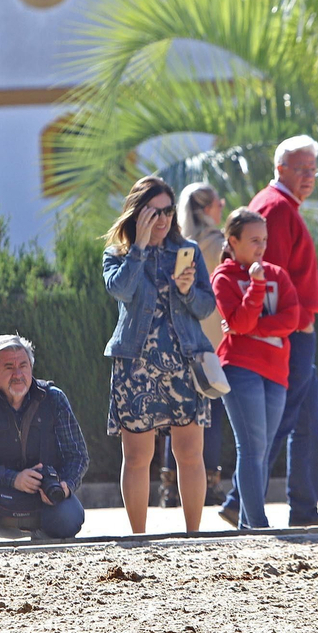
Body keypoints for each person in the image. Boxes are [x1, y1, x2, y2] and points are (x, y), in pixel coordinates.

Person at [219, 136, 318, 528]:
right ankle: (242, 503)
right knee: (272, 429)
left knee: (306, 424)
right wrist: (290, 322)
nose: (309, 176)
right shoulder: (275, 208)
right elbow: (269, 281)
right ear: (280, 168)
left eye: (313, 169)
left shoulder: (282, 207)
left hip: (292, 331)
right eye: (301, 169)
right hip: (285, 337)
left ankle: (301, 508)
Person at [102, 176, 218, 534]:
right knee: (138, 457)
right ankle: (139, 538)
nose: (163, 219)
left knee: (190, 454)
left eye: (168, 211)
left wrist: (187, 290)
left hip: (184, 363)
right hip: (135, 365)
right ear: (138, 214)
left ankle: (193, 534)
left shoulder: (187, 251)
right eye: (154, 213)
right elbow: (120, 290)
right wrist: (138, 247)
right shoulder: (118, 254)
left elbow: (206, 306)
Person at [0, 335, 87, 543]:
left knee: (68, 517)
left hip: (43, 500)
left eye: (23, 366)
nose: (18, 374)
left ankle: (43, 541)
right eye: (9, 367)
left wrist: (66, 485)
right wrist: (14, 479)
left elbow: (77, 455)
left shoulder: (54, 398)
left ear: (31, 367)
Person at [212, 208, 299, 529]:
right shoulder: (224, 277)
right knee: (251, 448)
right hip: (240, 368)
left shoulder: (278, 273)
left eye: (264, 240)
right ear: (232, 241)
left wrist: (250, 328)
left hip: (276, 371)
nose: (261, 246)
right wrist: (257, 285)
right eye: (253, 240)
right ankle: (258, 525)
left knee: (262, 450)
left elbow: (291, 319)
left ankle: (248, 526)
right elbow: (239, 320)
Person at [176, 182, 229, 506]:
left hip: (184, 340)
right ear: (208, 208)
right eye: (218, 203)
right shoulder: (221, 245)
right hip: (215, 343)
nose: (222, 207)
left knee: (180, 416)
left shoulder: (181, 246)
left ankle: (171, 486)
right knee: (212, 414)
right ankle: (209, 484)